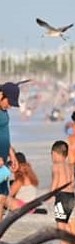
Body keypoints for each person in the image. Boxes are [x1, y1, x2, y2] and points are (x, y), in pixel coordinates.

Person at [50, 141, 75, 244]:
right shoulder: (70, 166)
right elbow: (72, 181)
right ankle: (73, 243)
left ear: (54, 153)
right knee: (65, 220)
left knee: (60, 222)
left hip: (62, 196)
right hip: (71, 196)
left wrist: (51, 195)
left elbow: (56, 182)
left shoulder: (56, 166)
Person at [0, 82, 21, 220]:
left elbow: (5, 135)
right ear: (1, 95)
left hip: (3, 162)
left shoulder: (4, 112)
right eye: (9, 102)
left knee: (1, 198)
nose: (10, 106)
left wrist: (12, 155)